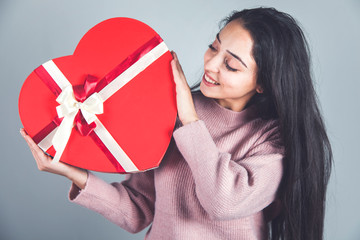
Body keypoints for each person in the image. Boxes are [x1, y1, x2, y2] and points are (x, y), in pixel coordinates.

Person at [20, 7, 332, 240]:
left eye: (231, 65)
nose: (210, 64)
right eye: (213, 47)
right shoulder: (170, 111)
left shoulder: (273, 140)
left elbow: (224, 201)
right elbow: (138, 210)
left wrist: (190, 120)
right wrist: (73, 174)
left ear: (263, 82)